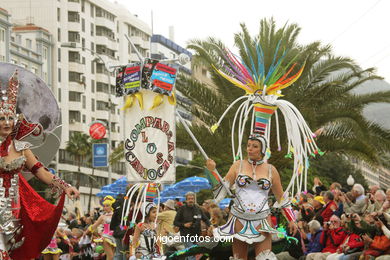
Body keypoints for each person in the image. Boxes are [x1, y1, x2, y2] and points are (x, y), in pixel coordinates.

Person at [0, 70, 80, 259]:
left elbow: (41, 172)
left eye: (10, 118)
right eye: (2, 118)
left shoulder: (21, 147)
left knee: (12, 249)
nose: (7, 122)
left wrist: (65, 186)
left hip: (15, 208)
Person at [206, 134, 297, 260]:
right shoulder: (238, 165)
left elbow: (281, 198)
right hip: (238, 219)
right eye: (248, 145)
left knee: (265, 258)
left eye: (255, 146)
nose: (250, 149)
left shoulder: (271, 170)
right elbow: (220, 191)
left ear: (262, 149)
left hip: (262, 220)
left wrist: (291, 219)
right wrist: (212, 171)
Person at [173, 192, 211, 260]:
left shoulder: (198, 209)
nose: (191, 200)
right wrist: (184, 225)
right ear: (186, 200)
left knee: (190, 253)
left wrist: (210, 226)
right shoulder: (182, 209)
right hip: (185, 234)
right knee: (193, 252)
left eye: (192, 199)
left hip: (196, 234)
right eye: (189, 199)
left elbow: (205, 219)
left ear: (194, 200)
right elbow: (175, 222)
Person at [87, 196, 116, 260]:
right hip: (106, 237)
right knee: (110, 257)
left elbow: (120, 226)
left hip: (115, 237)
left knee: (113, 257)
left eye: (107, 205)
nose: (105, 207)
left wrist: (125, 228)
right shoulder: (102, 217)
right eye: (104, 206)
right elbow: (94, 226)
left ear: (111, 206)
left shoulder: (116, 215)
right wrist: (87, 232)